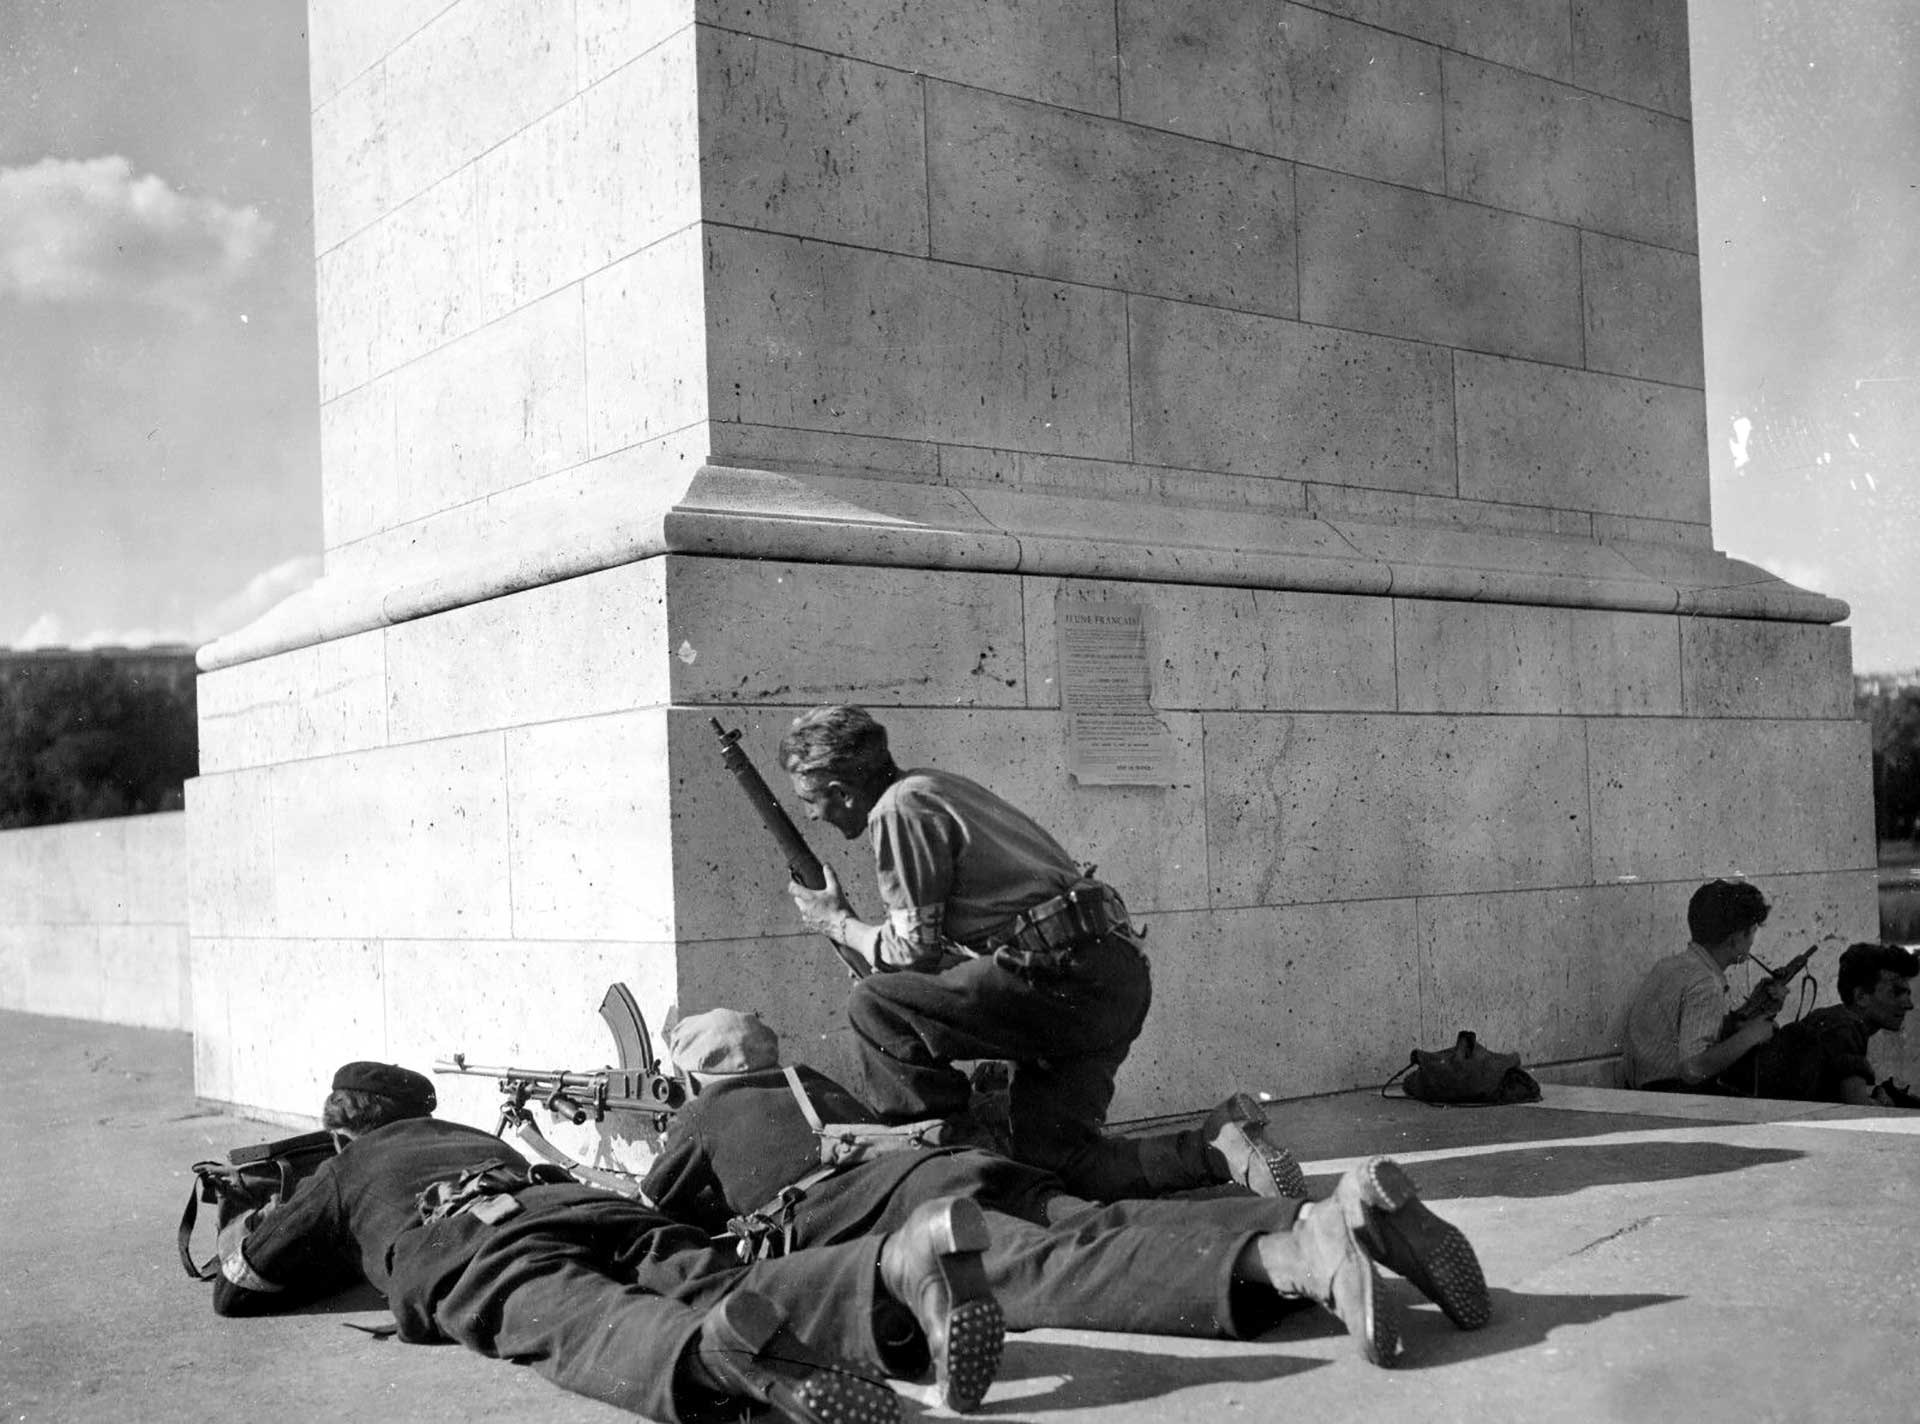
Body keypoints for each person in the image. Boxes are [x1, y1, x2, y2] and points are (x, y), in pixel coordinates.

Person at [640, 1009, 1492, 1369]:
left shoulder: (708, 1115)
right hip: (950, 1167)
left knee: (1047, 1271)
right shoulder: (808, 1081)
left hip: (904, 1210)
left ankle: (1300, 1256)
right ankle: (1337, 1218)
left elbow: (659, 1206)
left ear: (696, 1077)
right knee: (1104, 1225)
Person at [209, 1059, 1008, 1421]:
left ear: (343, 1132)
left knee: (575, 1315)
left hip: (473, 1243)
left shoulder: (351, 1167)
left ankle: (710, 1361)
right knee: (718, 1281)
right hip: (580, 1204)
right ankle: (894, 1271)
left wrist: (274, 1216)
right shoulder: (465, 1134)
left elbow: (239, 1288)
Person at [778, 704, 1303, 1202]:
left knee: (875, 1004)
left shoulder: (899, 808)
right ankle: (1221, 1149)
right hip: (1107, 976)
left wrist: (838, 923)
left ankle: (951, 1175)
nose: (811, 815)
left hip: (1062, 977)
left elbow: (912, 949)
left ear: (841, 791)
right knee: (1059, 1163)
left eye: (809, 801)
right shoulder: (936, 788)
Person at [1621, 879, 1787, 1092]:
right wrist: (1751, 1035)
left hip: (1641, 1091)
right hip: (1670, 1097)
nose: (1753, 941)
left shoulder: (1669, 966)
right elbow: (1692, 1069)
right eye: (1751, 931)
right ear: (1735, 940)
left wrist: (1748, 1012)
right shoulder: (1706, 983)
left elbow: (1690, 1032)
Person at [1752, 941, 1918, 1106]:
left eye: (1908, 994)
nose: (1909, 1004)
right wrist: (1882, 1105)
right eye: (1896, 992)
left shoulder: (1831, 1019)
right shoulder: (1845, 1026)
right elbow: (1859, 1111)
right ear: (1861, 996)